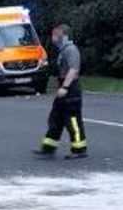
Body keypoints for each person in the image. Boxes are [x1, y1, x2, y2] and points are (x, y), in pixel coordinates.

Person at [36, 25, 87, 159]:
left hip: (70, 90)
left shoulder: (71, 49)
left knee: (73, 121)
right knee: (56, 119)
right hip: (64, 89)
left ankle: (79, 149)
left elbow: (74, 70)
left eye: (55, 35)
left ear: (62, 36)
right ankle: (48, 148)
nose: (53, 38)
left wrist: (65, 87)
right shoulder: (63, 50)